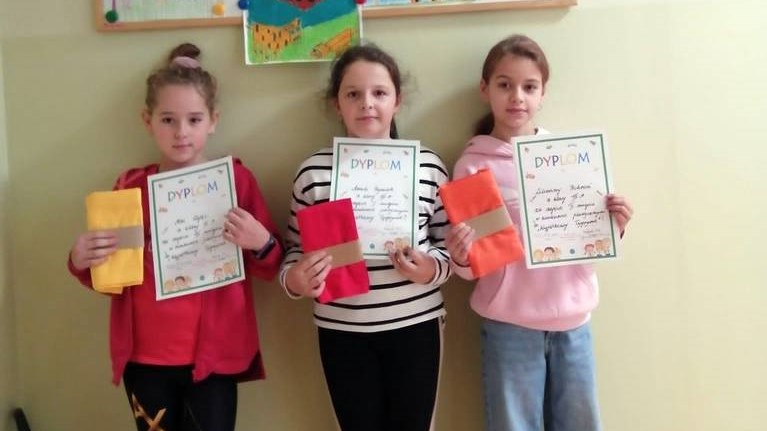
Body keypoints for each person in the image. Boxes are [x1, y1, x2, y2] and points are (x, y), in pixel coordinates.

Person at [67, 43, 283, 431]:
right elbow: (111, 278)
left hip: (214, 360)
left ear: (213, 120)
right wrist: (82, 262)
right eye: (168, 119)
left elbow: (272, 265)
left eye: (194, 119)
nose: (181, 132)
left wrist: (261, 241)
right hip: (146, 359)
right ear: (147, 120)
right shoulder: (130, 187)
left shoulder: (235, 181)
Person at [445, 35, 634, 431]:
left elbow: (587, 241)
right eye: (505, 85)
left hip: (573, 320)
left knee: (580, 424)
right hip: (509, 325)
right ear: (485, 89)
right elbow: (474, 265)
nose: (517, 97)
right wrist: (461, 255)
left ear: (542, 94)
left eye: (529, 87)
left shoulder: (569, 159)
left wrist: (612, 225)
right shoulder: (472, 167)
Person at [279, 44, 452, 431]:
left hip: (416, 324)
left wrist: (430, 269)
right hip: (342, 330)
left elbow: (449, 246)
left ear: (397, 101)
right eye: (353, 94)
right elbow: (295, 250)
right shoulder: (314, 173)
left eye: (379, 93)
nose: (367, 103)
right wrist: (295, 280)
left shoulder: (426, 165)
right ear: (336, 104)